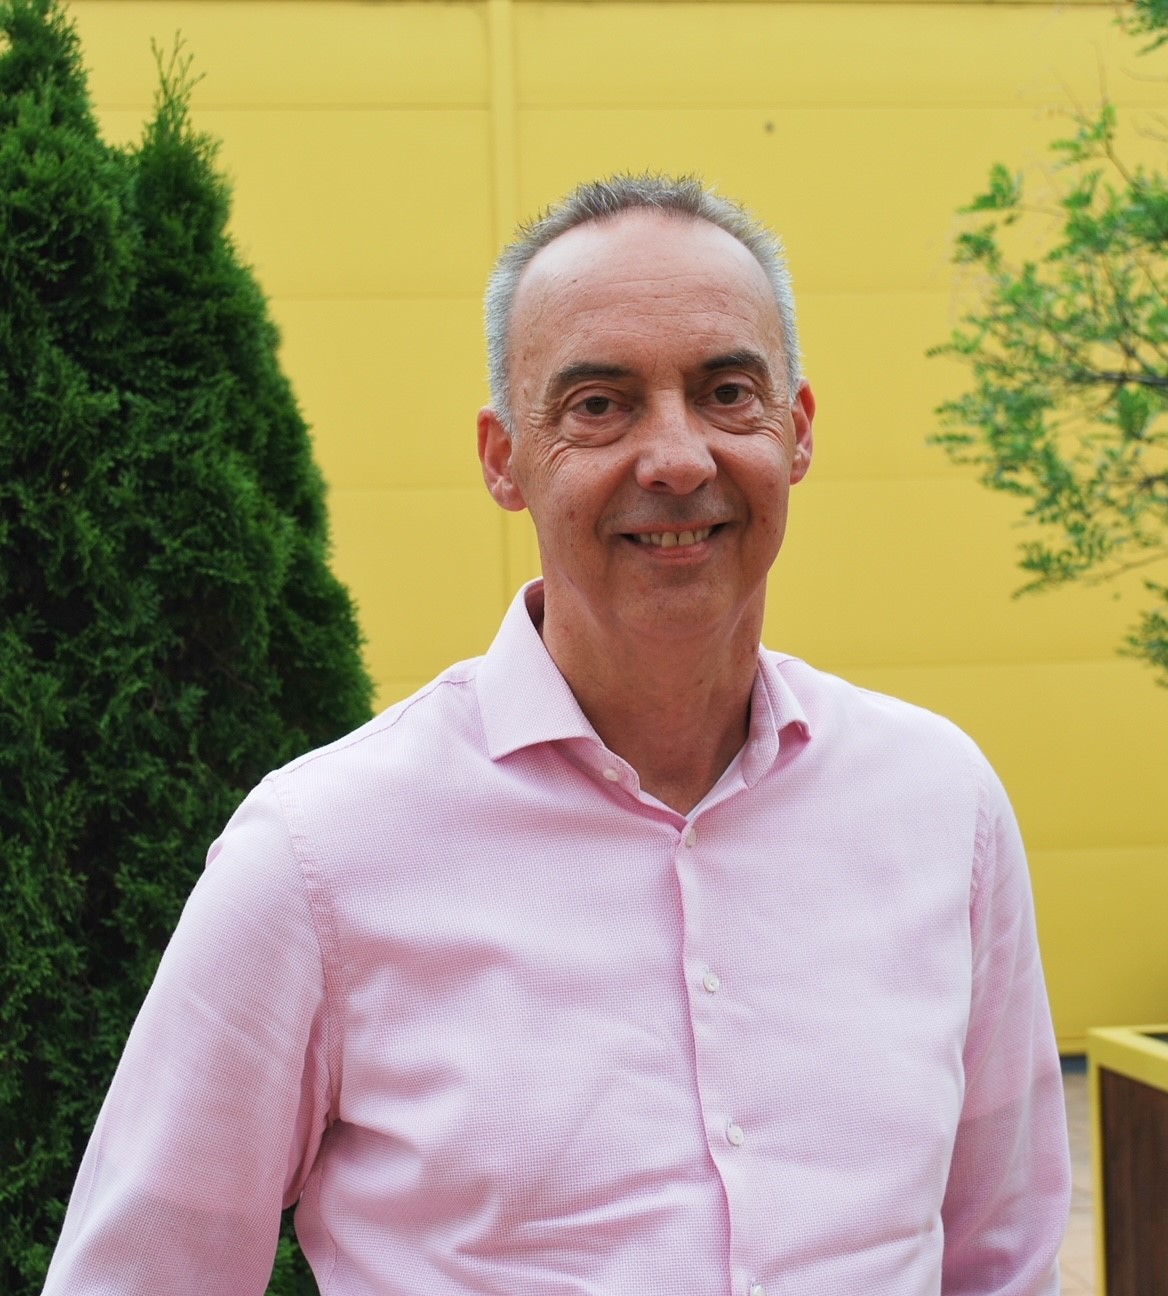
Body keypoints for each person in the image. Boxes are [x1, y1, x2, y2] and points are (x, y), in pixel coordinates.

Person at [43, 174, 1071, 1295]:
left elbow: (1003, 1259)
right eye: (598, 404)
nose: (677, 458)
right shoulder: (316, 855)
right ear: (503, 458)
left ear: (799, 431)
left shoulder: (941, 806)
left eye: (728, 392)